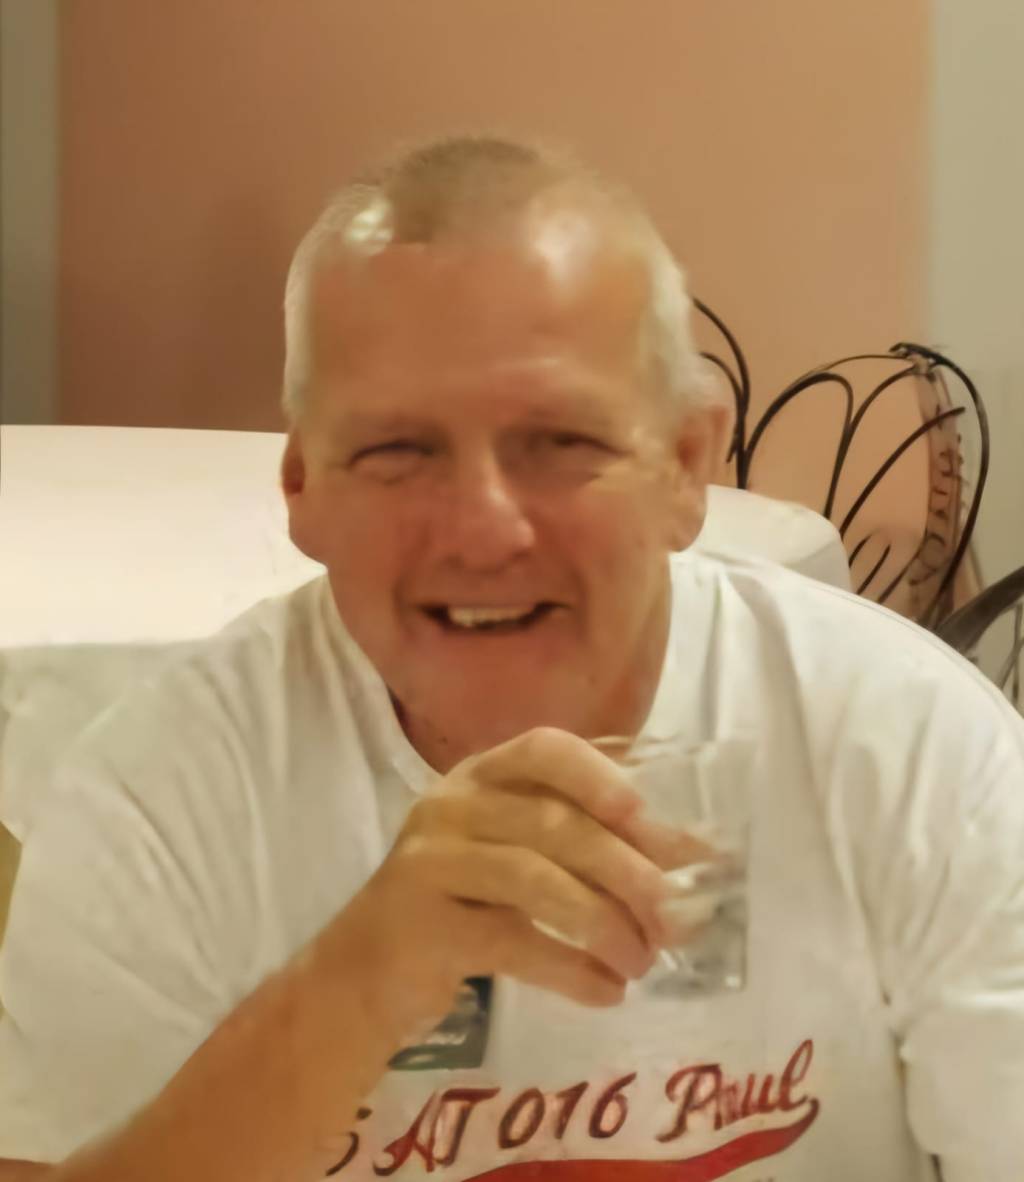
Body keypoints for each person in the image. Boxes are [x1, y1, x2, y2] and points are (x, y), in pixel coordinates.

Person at [0, 134, 1021, 1182]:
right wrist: (352, 991)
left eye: (561, 443)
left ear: (685, 463)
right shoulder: (166, 791)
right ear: (301, 486)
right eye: (398, 450)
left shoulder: (909, 750)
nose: (483, 530)